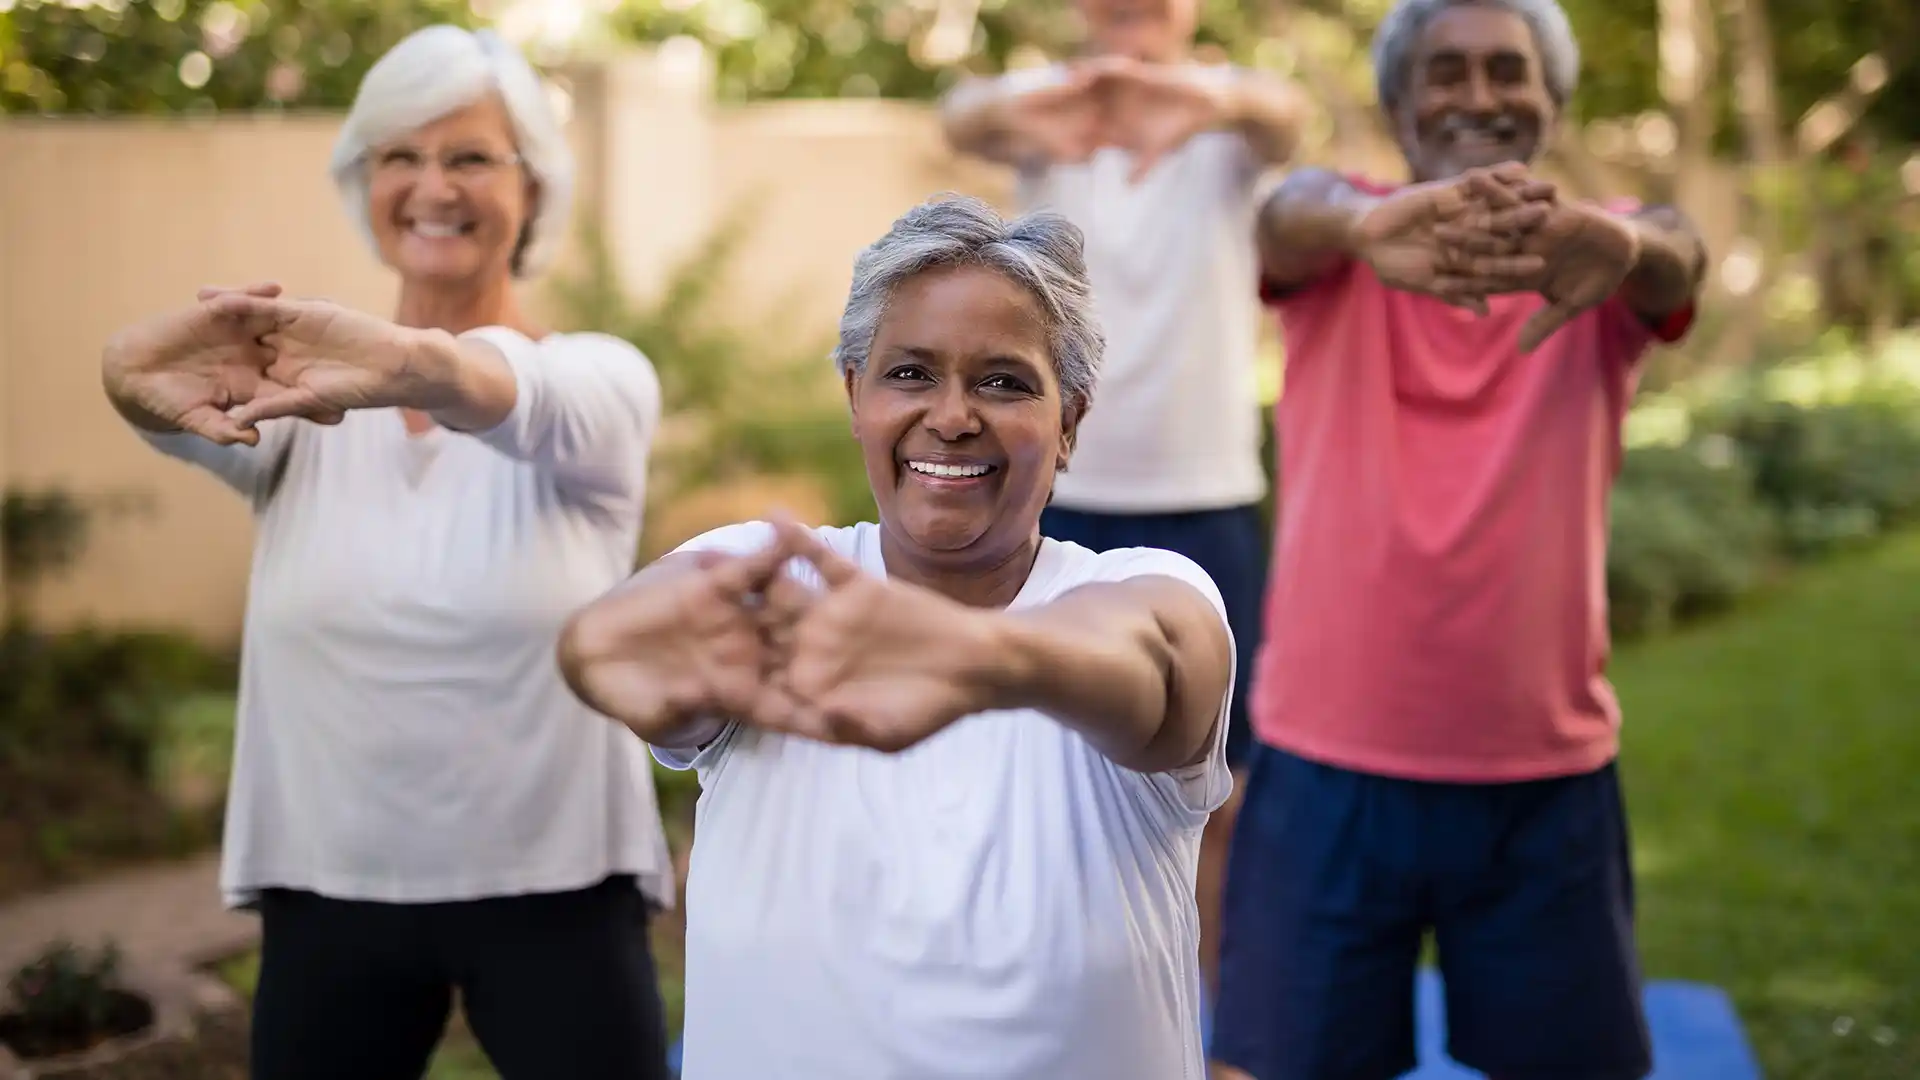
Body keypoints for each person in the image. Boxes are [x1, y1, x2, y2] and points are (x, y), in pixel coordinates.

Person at [97, 26, 674, 1080]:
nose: (430, 186)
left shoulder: (597, 380)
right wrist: (123, 371)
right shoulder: (301, 402)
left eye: (468, 157)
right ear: (364, 184)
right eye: (398, 157)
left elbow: (521, 395)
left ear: (533, 188)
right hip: (328, 892)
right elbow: (158, 393)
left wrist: (409, 363)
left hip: (556, 890)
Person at [557, 194, 1237, 1079]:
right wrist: (611, 658)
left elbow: (1150, 661)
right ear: (854, 395)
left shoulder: (1142, 590)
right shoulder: (763, 577)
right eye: (910, 374)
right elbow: (610, 643)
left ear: (1069, 420)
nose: (953, 417)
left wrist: (976, 658)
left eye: (1004, 381)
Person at [1207, 0, 1711, 1077]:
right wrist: (1355, 221)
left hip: (1542, 778)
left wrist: (1622, 244)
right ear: (1399, 102)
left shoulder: (1599, 255)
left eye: (1506, 70)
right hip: (1325, 767)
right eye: (1445, 72)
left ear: (1551, 100)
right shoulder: (1344, 240)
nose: (1478, 95)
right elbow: (1285, 209)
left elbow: (1679, 251)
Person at [939, 0, 1307, 990]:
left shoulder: (1223, 134)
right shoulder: (1046, 127)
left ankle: (1200, 1017)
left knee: (1218, 790)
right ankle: (1042, 994)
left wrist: (1190, 96)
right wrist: (1067, 96)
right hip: (1051, 501)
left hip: (1205, 495)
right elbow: (961, 115)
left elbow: (1288, 117)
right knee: (1031, 772)